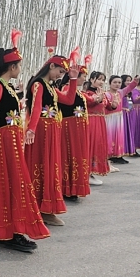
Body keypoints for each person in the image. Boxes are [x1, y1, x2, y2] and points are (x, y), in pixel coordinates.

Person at [0, 31, 49, 252]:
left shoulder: (8, 87)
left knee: (13, 182)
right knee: (4, 183)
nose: (20, 69)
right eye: (19, 65)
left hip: (10, 141)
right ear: (12, 67)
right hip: (1, 142)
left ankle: (10, 228)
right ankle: (4, 230)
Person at [24, 54, 79, 227]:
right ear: (51, 66)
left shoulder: (50, 86)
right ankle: (41, 208)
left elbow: (69, 100)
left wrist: (73, 79)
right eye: (60, 71)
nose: (60, 75)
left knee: (51, 166)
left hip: (52, 130)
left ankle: (46, 208)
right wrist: (31, 129)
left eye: (63, 73)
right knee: (43, 166)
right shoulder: (38, 84)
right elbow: (36, 107)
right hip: (43, 130)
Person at [57, 53, 91, 202]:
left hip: (78, 128)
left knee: (78, 155)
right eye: (82, 76)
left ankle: (75, 186)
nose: (84, 79)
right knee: (70, 155)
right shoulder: (66, 88)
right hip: (69, 127)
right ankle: (67, 187)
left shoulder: (78, 91)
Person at [105, 74, 140, 165]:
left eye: (119, 82)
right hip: (109, 118)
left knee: (118, 137)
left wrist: (136, 80)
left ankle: (117, 155)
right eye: (115, 82)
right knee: (109, 137)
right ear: (110, 83)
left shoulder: (120, 93)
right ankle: (109, 156)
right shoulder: (106, 94)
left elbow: (130, 87)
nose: (117, 84)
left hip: (119, 118)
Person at [84, 71, 110, 182]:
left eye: (103, 80)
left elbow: (108, 106)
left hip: (100, 121)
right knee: (91, 145)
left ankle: (92, 171)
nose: (101, 82)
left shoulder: (102, 93)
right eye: (99, 79)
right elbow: (89, 103)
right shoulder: (86, 93)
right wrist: (97, 99)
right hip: (91, 121)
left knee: (98, 144)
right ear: (91, 79)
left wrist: (113, 105)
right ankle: (87, 172)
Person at [120, 74, 140, 158]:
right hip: (121, 114)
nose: (128, 82)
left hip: (127, 114)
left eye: (130, 80)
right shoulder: (120, 91)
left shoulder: (128, 92)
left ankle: (128, 150)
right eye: (127, 80)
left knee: (127, 133)